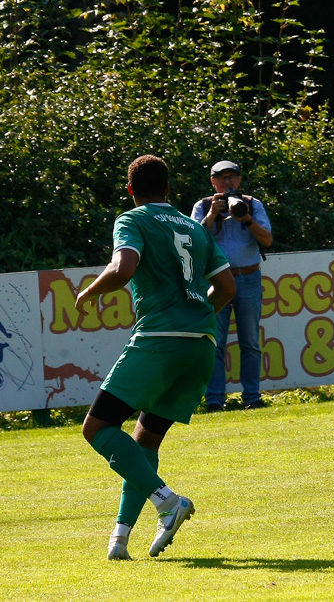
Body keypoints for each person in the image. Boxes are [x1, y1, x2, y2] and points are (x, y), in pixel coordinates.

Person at [76, 155, 236, 560]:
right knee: (144, 439)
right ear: (169, 189)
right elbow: (227, 287)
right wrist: (196, 314)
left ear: (131, 191)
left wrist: (90, 292)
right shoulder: (193, 227)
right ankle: (120, 538)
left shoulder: (133, 219)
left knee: (96, 427)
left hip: (160, 340)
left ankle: (168, 501)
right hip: (201, 345)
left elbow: (123, 267)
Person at [191, 160, 273, 411]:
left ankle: (252, 397)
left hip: (248, 277)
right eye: (222, 178)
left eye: (232, 178)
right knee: (215, 341)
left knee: (250, 342)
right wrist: (213, 214)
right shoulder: (203, 206)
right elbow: (193, 241)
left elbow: (267, 240)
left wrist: (246, 218)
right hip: (215, 280)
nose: (228, 183)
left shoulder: (252, 204)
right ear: (213, 182)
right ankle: (215, 399)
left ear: (239, 180)